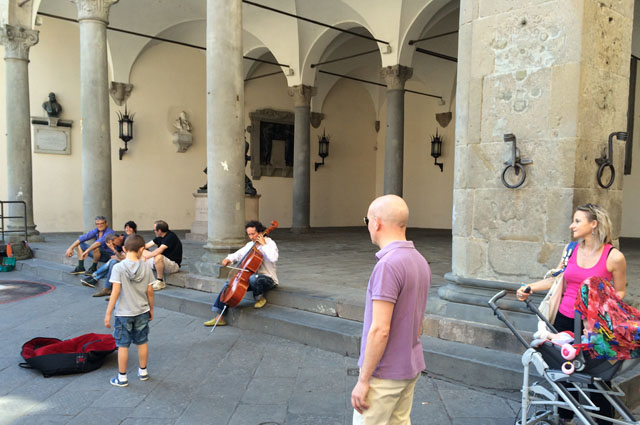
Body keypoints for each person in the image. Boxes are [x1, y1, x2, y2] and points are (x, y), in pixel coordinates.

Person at [517, 203, 626, 425]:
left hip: (595, 325)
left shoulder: (614, 257)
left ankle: (604, 421)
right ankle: (565, 417)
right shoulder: (570, 250)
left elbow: (621, 290)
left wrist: (599, 308)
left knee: (596, 376)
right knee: (563, 370)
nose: (572, 225)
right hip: (564, 318)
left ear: (593, 224)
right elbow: (557, 279)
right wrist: (530, 287)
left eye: (577, 221)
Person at [351, 195, 431, 424]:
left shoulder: (387, 265)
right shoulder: (419, 260)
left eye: (367, 220)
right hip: (410, 365)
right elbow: (418, 320)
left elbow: (380, 329)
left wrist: (364, 380)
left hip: (384, 372)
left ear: (376, 222)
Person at [203, 220, 278, 327]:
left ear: (260, 232)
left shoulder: (270, 243)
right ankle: (219, 317)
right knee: (228, 286)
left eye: (253, 234)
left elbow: (273, 258)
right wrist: (228, 259)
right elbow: (238, 254)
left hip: (267, 279)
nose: (251, 237)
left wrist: (264, 244)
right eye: (249, 234)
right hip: (251, 279)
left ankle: (260, 298)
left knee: (253, 278)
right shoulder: (250, 245)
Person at [104, 234, 155, 387]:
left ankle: (122, 377)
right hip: (142, 311)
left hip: (123, 313)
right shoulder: (146, 266)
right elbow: (150, 291)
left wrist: (108, 313)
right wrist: (151, 309)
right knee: (142, 342)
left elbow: (115, 292)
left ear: (124, 249)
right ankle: (143, 371)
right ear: (142, 249)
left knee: (123, 345)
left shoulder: (118, 267)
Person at [82, 221, 138, 297]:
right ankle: (99, 281)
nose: (127, 229)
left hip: (132, 262)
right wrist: (115, 250)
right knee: (112, 262)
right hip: (123, 260)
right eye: (126, 227)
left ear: (134, 228)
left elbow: (124, 257)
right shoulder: (123, 237)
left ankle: (96, 277)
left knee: (112, 262)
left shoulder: (134, 239)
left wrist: (113, 250)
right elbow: (119, 254)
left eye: (130, 227)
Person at [142, 220, 182, 291]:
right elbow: (146, 245)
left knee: (158, 256)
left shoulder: (170, 237)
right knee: (142, 251)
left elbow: (160, 250)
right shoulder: (159, 237)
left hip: (173, 265)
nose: (154, 231)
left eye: (154, 230)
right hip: (160, 263)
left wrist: (147, 257)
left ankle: (160, 281)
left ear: (159, 230)